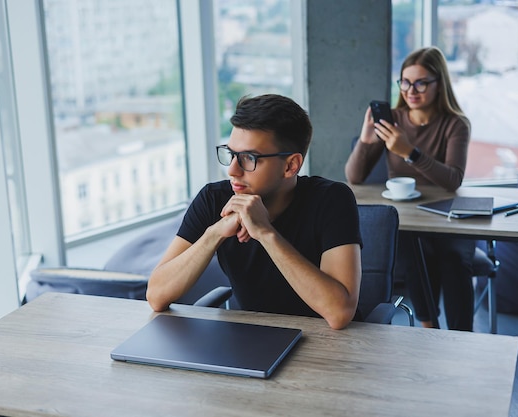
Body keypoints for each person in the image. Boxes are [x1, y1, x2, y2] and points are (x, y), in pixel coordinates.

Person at [147, 94, 362, 330]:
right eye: (230, 154)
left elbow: (339, 313)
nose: (232, 170)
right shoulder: (214, 199)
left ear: (291, 165)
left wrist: (266, 234)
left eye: (248, 158)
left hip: (329, 346)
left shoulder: (332, 199)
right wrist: (214, 233)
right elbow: (156, 295)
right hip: (251, 339)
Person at [345, 46, 475, 331]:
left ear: (439, 84)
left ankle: (462, 334)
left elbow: (453, 179)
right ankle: (428, 325)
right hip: (410, 219)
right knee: (413, 249)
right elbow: (354, 177)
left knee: (453, 260)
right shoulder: (394, 119)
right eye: (404, 81)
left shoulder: (456, 125)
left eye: (420, 82)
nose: (410, 90)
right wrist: (367, 140)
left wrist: (410, 152)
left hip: (448, 218)